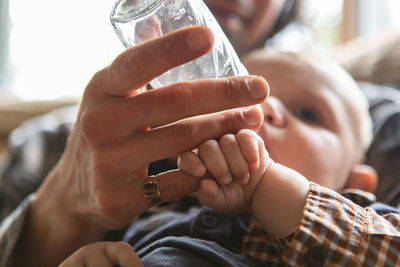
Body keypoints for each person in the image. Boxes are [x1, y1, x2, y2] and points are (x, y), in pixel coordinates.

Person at [59, 49, 400, 266]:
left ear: (357, 182)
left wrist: (271, 186)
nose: (263, 107)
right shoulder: (153, 216)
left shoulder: (367, 218)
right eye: (243, 96)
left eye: (308, 114)